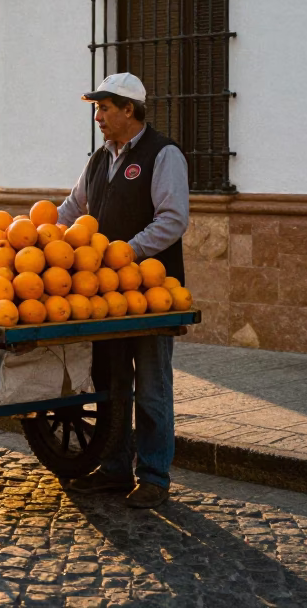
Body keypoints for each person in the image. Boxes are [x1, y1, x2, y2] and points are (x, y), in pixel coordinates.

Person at [57, 72, 189, 509]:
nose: (98, 116)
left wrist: (125, 254)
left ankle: (154, 475)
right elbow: (72, 209)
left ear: (128, 110)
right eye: (96, 108)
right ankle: (114, 470)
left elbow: (172, 219)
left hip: (151, 294)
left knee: (152, 386)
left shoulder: (163, 154)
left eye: (104, 108)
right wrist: (36, 235)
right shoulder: (99, 159)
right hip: (104, 297)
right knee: (111, 384)